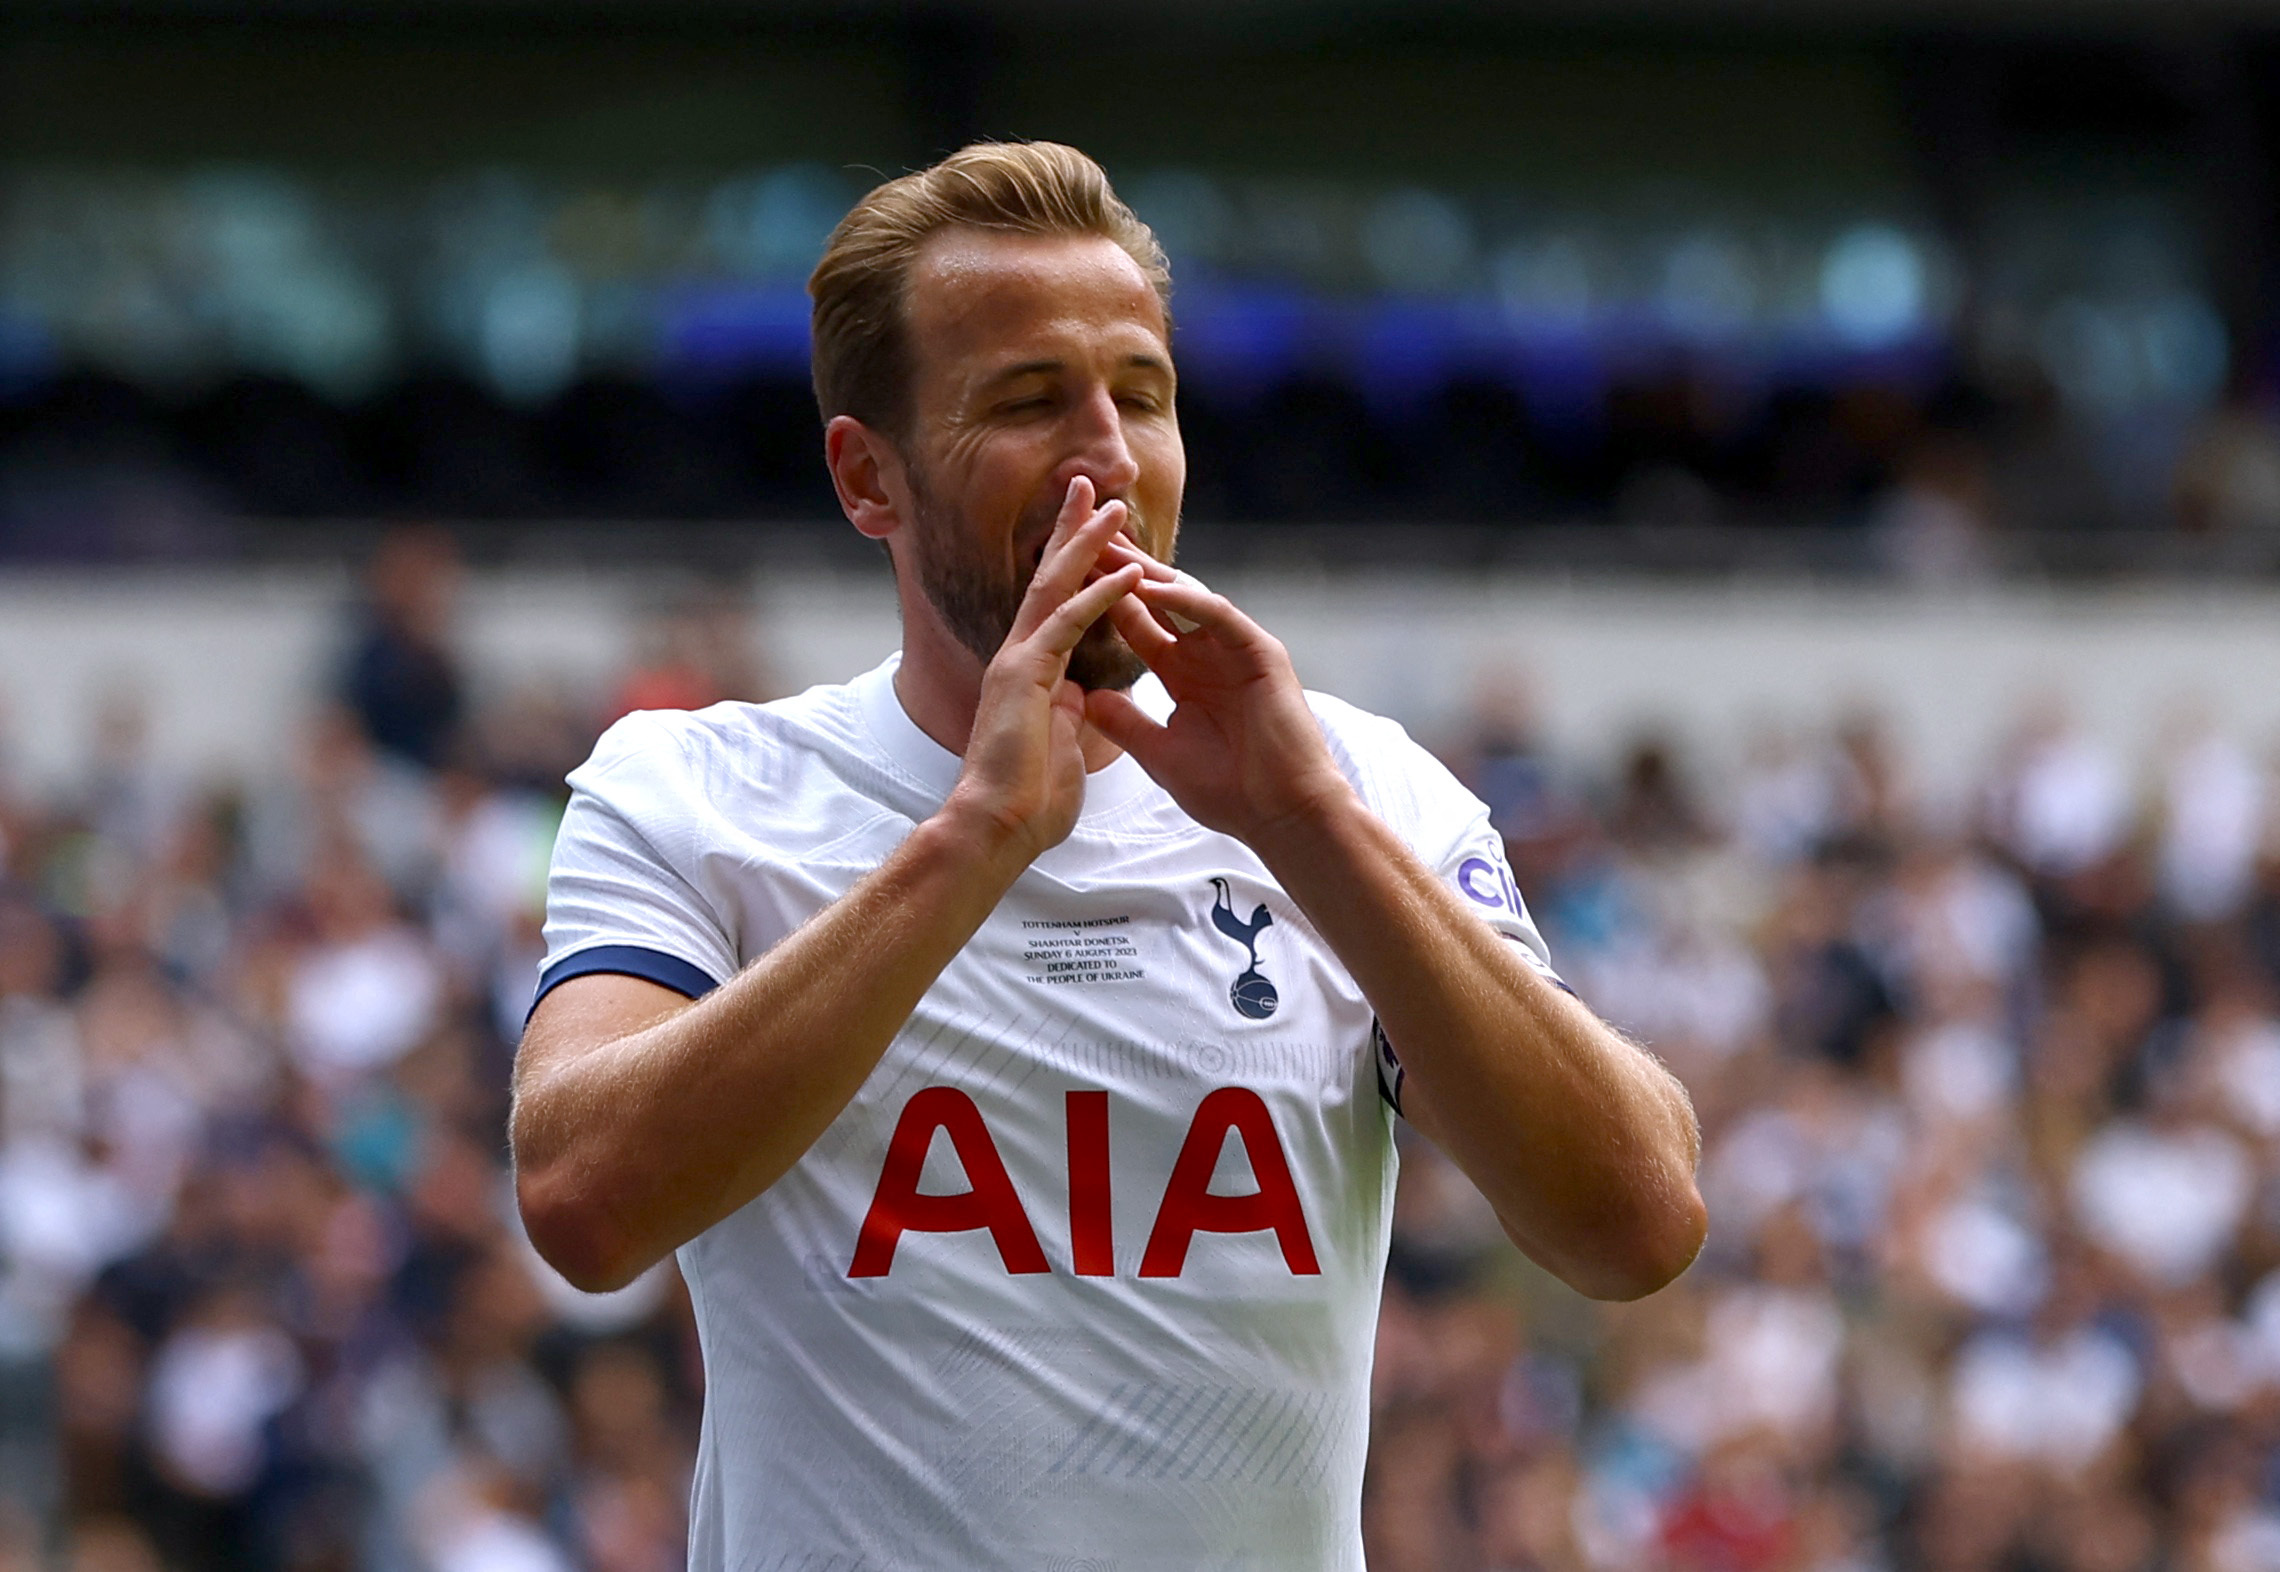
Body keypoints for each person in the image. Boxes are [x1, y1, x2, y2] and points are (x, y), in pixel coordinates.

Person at [510, 142, 1704, 1569]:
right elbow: (582, 1202)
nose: (1106, 452)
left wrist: (1307, 829)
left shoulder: (1356, 790)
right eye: (1027, 402)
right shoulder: (698, 792)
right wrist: (977, 839)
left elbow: (1635, 1222)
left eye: (1141, 394)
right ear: (866, 478)